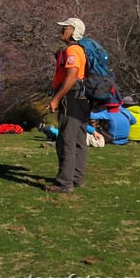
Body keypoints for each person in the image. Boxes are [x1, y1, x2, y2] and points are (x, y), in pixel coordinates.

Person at [46, 17, 90, 194]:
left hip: (72, 97)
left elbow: (71, 76)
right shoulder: (81, 49)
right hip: (83, 97)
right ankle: (77, 178)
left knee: (67, 140)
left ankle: (64, 183)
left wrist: (56, 98)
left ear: (74, 31)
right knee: (79, 138)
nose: (62, 30)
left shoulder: (72, 50)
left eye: (66, 28)